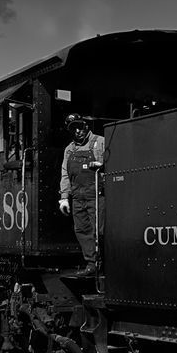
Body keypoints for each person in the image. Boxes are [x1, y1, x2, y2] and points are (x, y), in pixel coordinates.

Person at [58, 113, 105, 276]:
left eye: (80, 126)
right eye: (74, 129)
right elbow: (65, 174)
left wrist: (103, 165)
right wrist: (64, 198)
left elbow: (116, 163)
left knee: (100, 230)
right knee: (82, 230)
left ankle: (107, 262)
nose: (78, 131)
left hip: (97, 194)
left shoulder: (99, 142)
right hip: (78, 197)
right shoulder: (69, 149)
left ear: (86, 125)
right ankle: (92, 264)